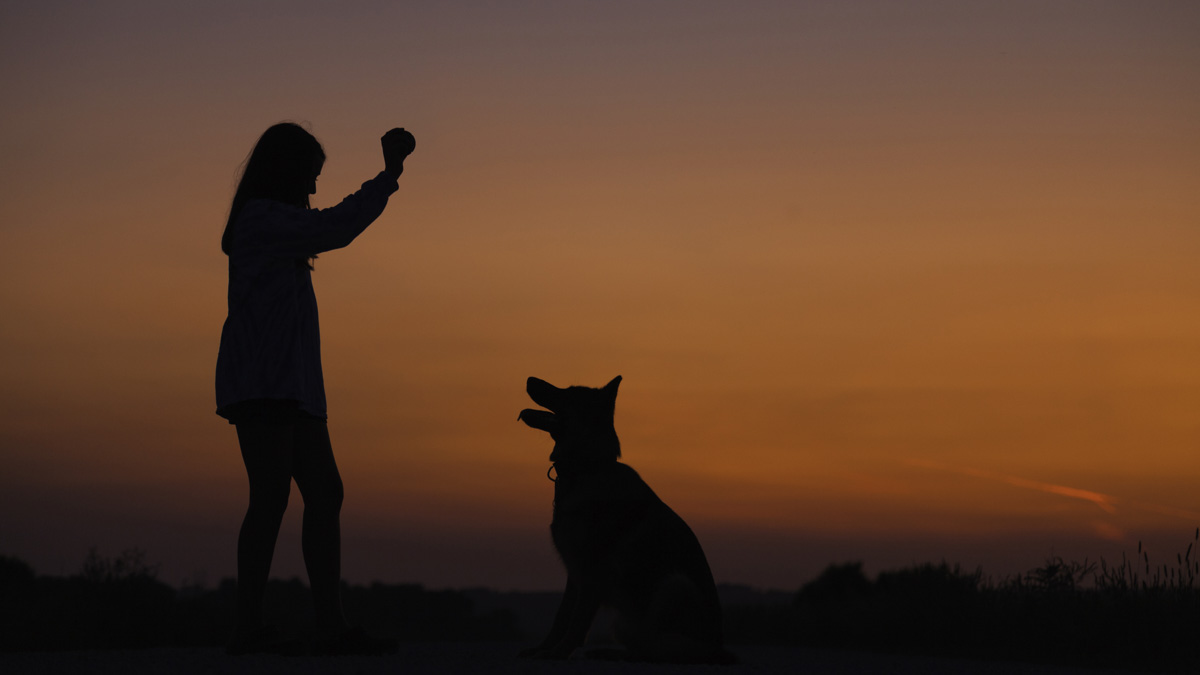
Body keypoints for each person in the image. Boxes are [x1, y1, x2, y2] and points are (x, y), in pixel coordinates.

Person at [215, 122, 415, 655]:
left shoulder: (276, 224)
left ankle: (329, 626)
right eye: (310, 176)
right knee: (272, 496)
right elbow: (337, 227)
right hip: (263, 381)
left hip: (292, 384)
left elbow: (327, 226)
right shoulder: (261, 220)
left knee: (324, 493)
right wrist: (388, 176)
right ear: (286, 171)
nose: (313, 190)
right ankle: (248, 628)